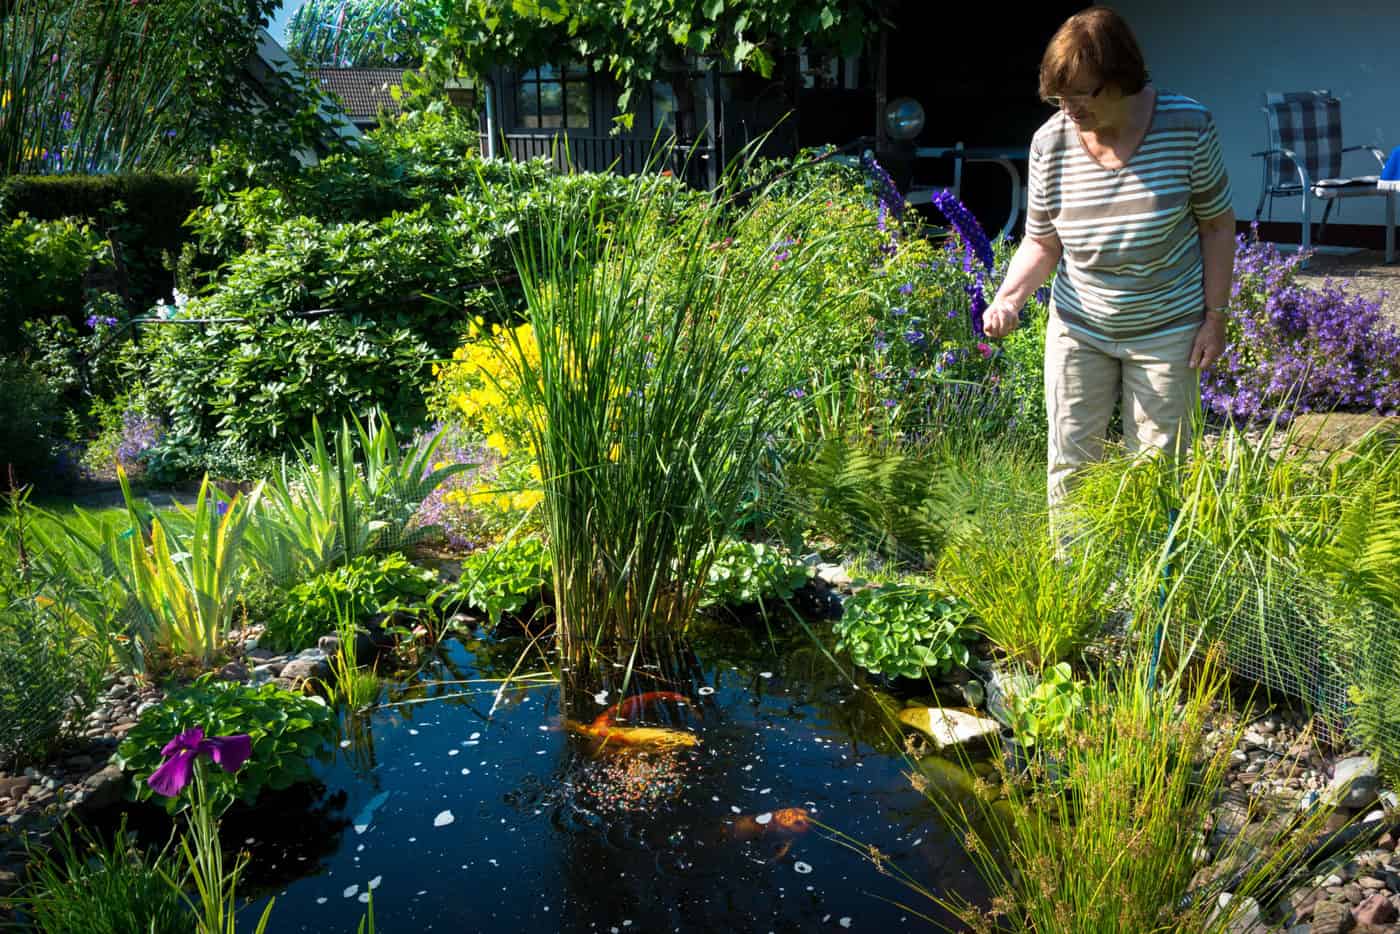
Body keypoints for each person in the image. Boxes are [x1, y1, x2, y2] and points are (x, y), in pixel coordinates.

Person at [982, 7, 1236, 524]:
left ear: (1121, 79)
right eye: (1059, 97)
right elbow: (1042, 241)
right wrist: (1009, 298)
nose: (1069, 109)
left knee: (1159, 473)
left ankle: (1154, 594)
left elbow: (1215, 225)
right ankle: (1077, 589)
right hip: (1080, 327)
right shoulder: (1049, 143)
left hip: (1168, 330)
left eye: (1082, 95)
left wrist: (1215, 317)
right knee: (1072, 466)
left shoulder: (1188, 125)